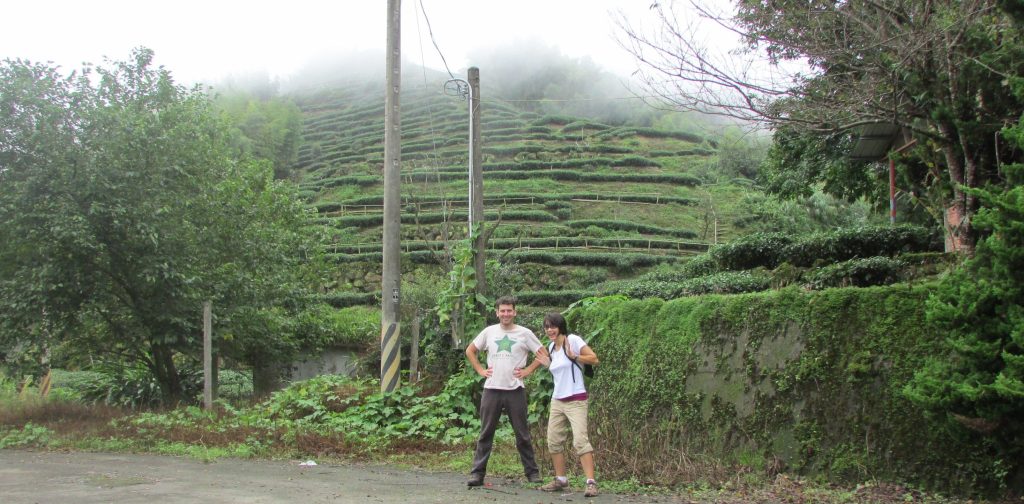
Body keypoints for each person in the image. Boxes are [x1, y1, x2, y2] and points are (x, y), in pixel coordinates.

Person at [465, 296, 550, 487]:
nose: (506, 314)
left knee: (522, 434)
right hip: (491, 389)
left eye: (509, 310)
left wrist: (528, 370)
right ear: (496, 312)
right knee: (486, 433)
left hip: (515, 390)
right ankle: (477, 474)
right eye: (502, 311)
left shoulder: (525, 333)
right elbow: (470, 350)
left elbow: (543, 353)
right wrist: (480, 370)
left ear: (515, 312)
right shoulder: (489, 332)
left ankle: (532, 473)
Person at [533, 312, 601, 497]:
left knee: (580, 441)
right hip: (557, 400)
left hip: (576, 400)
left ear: (561, 327)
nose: (549, 330)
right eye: (546, 327)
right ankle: (561, 479)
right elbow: (559, 372)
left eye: (553, 326)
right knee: (554, 441)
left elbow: (595, 359)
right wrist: (548, 364)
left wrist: (575, 356)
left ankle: (591, 483)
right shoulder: (551, 347)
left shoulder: (573, 340)